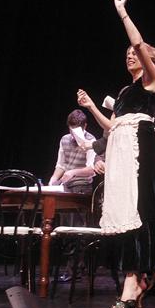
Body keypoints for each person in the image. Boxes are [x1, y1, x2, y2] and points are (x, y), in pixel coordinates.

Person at [77, 0, 155, 308]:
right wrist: (89, 107)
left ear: (149, 61)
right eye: (126, 53)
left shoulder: (151, 83)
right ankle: (144, 276)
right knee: (124, 210)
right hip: (120, 150)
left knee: (139, 209)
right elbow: (112, 126)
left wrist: (123, 15)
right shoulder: (126, 91)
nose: (130, 55)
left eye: (136, 53)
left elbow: (140, 45)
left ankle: (134, 280)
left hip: (139, 149)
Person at [88, 103, 155, 295]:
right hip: (127, 177)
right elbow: (109, 137)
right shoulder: (124, 120)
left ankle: (153, 272)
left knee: (149, 223)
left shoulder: (152, 121)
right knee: (131, 224)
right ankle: (139, 277)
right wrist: (98, 159)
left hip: (149, 177)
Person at [48, 109, 97, 282]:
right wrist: (53, 180)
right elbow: (61, 164)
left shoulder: (91, 141)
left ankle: (74, 269)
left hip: (82, 188)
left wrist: (75, 172)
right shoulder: (64, 140)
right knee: (65, 229)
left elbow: (92, 169)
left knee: (77, 229)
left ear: (85, 126)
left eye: (77, 130)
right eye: (71, 130)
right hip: (65, 188)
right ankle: (75, 267)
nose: (73, 134)